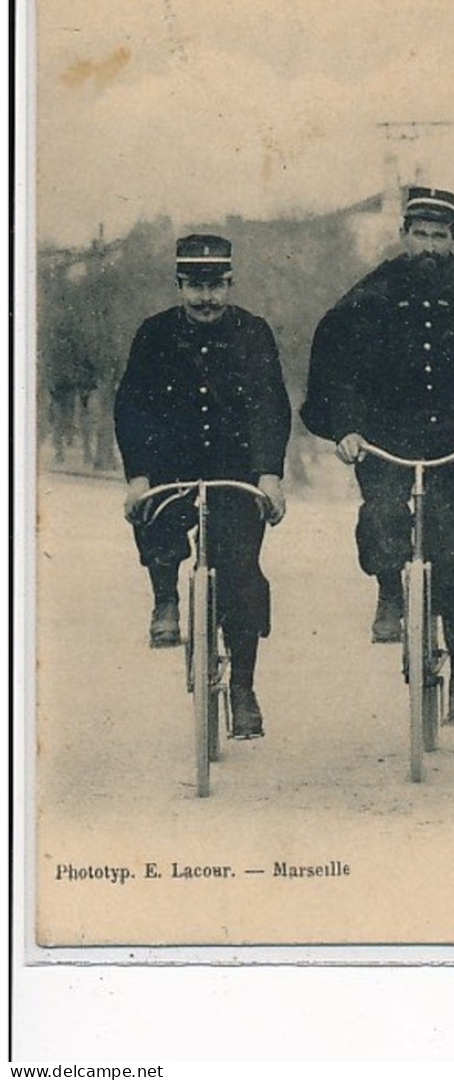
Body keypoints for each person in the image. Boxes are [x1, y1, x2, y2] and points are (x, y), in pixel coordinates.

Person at [301, 187, 454, 725]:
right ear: (403, 235)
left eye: (439, 235)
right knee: (381, 516)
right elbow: (342, 365)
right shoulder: (373, 291)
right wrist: (347, 428)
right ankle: (388, 591)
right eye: (419, 234)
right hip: (388, 442)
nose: (428, 245)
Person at [114, 234, 291, 738]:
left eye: (215, 287)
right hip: (171, 467)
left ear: (230, 285)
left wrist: (269, 476)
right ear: (179, 286)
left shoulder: (253, 333)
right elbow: (132, 407)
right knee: (153, 516)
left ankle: (244, 687)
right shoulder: (154, 335)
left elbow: (270, 405)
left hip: (235, 470)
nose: (205, 298)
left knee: (240, 572)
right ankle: (166, 598)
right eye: (195, 287)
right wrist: (139, 476)